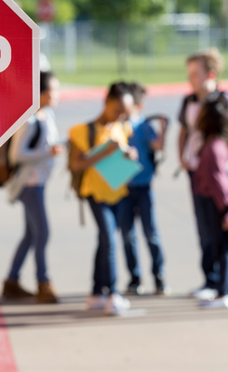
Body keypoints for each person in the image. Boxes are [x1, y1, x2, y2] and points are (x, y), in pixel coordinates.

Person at [177, 48, 228, 303]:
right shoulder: (189, 101)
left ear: (210, 73)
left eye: (195, 73)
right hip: (197, 170)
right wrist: (183, 156)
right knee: (206, 229)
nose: (191, 78)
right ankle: (213, 280)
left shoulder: (223, 100)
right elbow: (184, 131)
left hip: (218, 171)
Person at [69, 82, 138, 315]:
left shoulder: (123, 127)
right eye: (117, 109)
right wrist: (103, 154)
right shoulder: (84, 131)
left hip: (118, 190)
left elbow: (129, 151)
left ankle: (97, 291)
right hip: (95, 192)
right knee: (109, 238)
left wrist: (129, 154)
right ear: (107, 102)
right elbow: (75, 165)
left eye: (124, 113)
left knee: (105, 241)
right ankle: (113, 293)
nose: (120, 115)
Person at [1, 71, 66, 304]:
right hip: (30, 184)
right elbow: (16, 155)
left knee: (30, 235)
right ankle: (43, 282)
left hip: (39, 181)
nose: (57, 94)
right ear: (40, 93)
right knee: (42, 233)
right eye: (53, 90)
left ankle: (11, 281)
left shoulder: (45, 115)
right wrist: (47, 153)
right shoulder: (28, 120)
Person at [116, 82, 171, 296]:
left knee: (151, 233)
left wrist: (164, 129)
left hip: (144, 187)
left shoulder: (143, 126)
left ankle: (159, 275)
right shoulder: (118, 126)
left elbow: (158, 145)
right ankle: (134, 277)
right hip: (123, 188)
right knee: (127, 235)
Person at [193, 98, 228, 308]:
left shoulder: (213, 148)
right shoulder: (215, 143)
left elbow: (219, 183)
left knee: (222, 248)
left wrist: (227, 212)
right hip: (215, 203)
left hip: (215, 204)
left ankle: (224, 292)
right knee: (222, 247)